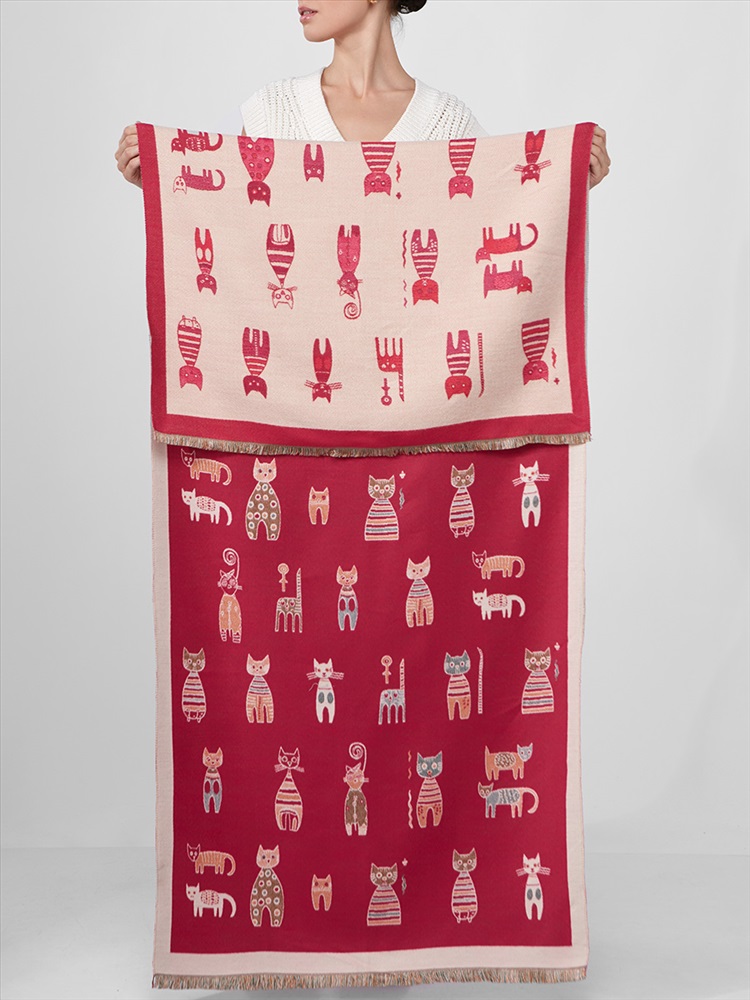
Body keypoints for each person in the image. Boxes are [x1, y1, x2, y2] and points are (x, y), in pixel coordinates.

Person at [115, 0, 610, 185]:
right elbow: (228, 228)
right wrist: (160, 180)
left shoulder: (448, 124)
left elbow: (499, 212)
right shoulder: (271, 112)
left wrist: (567, 180)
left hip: (415, 387)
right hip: (295, 383)